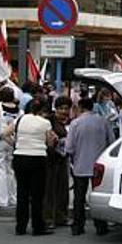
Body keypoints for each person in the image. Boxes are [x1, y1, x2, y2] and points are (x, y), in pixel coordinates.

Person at [6, 97, 56, 236]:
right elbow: (49, 142)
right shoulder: (45, 123)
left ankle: (20, 226)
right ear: (43, 111)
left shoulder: (20, 119)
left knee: (22, 193)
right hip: (38, 158)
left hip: (20, 156)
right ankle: (37, 226)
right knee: (37, 195)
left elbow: (4, 134)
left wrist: (16, 144)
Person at [66, 97, 115, 236]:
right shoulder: (103, 122)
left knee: (79, 197)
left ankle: (77, 226)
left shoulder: (75, 124)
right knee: (98, 195)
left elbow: (69, 147)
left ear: (80, 108)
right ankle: (101, 225)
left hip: (80, 165)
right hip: (99, 165)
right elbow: (111, 141)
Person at [0, 87, 20, 209]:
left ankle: (1, 200)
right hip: (12, 141)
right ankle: (13, 198)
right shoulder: (19, 110)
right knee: (10, 170)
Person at [44, 96, 71, 229]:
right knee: (50, 190)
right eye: (61, 108)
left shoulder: (69, 122)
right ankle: (49, 219)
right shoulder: (50, 121)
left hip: (62, 159)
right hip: (50, 160)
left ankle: (61, 216)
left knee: (62, 189)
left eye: (66, 108)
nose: (64, 111)